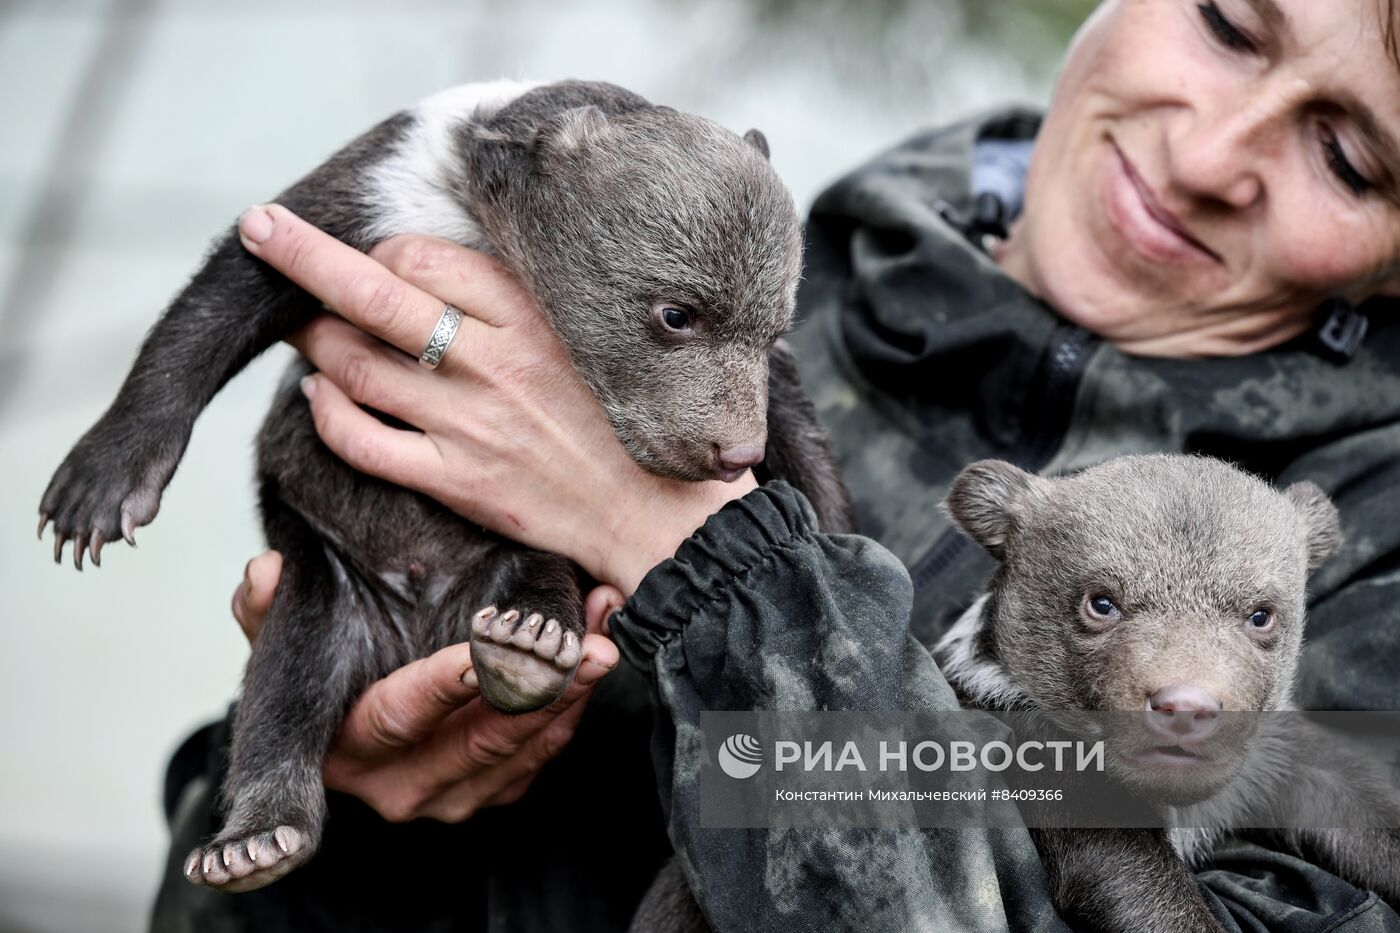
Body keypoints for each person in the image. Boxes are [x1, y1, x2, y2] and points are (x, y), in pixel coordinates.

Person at [150, 0, 1400, 930]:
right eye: (1227, 23)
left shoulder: (1366, 537)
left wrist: (691, 545)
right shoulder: (699, 262)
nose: (1205, 156)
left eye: (1348, 159)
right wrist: (361, 806)